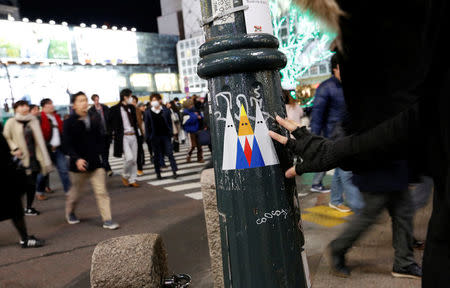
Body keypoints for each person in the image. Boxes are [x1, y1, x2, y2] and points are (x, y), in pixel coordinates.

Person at [272, 1, 449, 286]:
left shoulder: (400, 54)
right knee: (371, 214)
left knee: (397, 211)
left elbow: (415, 117)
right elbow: (413, 117)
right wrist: (328, 148)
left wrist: (330, 150)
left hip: (380, 155)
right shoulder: (339, 85)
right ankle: (349, 250)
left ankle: (401, 260)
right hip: (373, 157)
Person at [63, 91, 119, 230]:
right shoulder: (69, 122)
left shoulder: (94, 118)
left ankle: (107, 220)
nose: (84, 103)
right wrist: (76, 159)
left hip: (95, 163)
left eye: (85, 100)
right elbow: (66, 144)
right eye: (80, 101)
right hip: (78, 166)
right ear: (74, 105)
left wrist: (101, 155)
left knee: (102, 192)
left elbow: (100, 139)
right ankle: (70, 212)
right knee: (76, 194)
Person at [3, 101, 52, 216]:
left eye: (25, 105)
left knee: (31, 185)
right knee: (20, 186)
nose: (24, 108)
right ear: (15, 109)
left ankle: (28, 207)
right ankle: (14, 208)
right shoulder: (11, 122)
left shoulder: (33, 121)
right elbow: (6, 138)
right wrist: (14, 149)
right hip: (20, 159)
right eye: (21, 106)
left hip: (34, 158)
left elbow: (39, 139)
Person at [308, 55, 346, 193]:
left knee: (339, 167)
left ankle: (335, 200)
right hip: (331, 134)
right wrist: (313, 138)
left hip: (344, 133)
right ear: (335, 69)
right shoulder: (326, 87)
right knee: (337, 165)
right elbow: (317, 115)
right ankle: (317, 184)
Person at [0, 132, 45, 248]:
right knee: (15, 209)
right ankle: (25, 239)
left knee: (15, 209)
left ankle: (25, 238)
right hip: (5, 177)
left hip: (7, 175)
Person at [35, 98, 71, 200]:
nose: (52, 106)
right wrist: (47, 145)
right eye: (50, 104)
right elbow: (38, 135)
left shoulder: (56, 116)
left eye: (52, 104)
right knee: (43, 173)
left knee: (64, 170)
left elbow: (60, 132)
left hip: (58, 149)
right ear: (44, 107)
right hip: (45, 150)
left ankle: (68, 192)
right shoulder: (39, 118)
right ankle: (39, 191)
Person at [108, 89, 140, 187]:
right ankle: (125, 175)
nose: (131, 98)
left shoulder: (131, 108)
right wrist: (112, 134)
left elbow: (135, 121)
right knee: (129, 158)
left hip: (133, 135)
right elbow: (109, 123)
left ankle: (132, 179)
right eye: (130, 97)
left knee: (134, 159)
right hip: (124, 137)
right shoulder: (114, 109)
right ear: (125, 97)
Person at [144, 93, 178, 180]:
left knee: (170, 153)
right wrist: (148, 137)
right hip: (154, 137)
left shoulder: (165, 110)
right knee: (157, 155)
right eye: (152, 100)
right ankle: (158, 173)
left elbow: (170, 123)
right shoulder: (148, 112)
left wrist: (170, 133)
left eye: (155, 100)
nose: (154, 102)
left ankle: (174, 171)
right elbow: (147, 126)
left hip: (165, 136)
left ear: (159, 100)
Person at [88, 94, 112, 176]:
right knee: (103, 152)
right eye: (95, 100)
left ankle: (105, 165)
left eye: (97, 99)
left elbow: (110, 119)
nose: (97, 101)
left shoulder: (105, 107)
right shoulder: (91, 111)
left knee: (107, 151)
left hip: (107, 133)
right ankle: (108, 168)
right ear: (93, 101)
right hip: (98, 135)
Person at [182, 99, 204, 163]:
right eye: (190, 105)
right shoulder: (185, 112)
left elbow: (201, 116)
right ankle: (188, 156)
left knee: (199, 146)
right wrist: (195, 116)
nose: (192, 106)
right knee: (192, 146)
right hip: (190, 131)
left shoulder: (195, 110)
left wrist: (199, 117)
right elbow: (185, 122)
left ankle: (200, 158)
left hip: (197, 129)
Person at [131, 95, 145, 176]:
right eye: (132, 101)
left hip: (138, 133)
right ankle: (134, 168)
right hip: (129, 134)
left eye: (135, 102)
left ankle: (139, 168)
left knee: (139, 151)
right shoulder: (126, 110)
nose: (134, 103)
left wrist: (142, 134)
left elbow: (140, 123)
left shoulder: (138, 110)